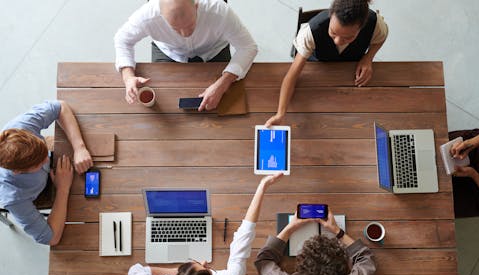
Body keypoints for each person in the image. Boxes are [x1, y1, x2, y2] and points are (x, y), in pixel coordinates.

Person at [127, 173, 283, 275]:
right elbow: (243, 239)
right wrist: (262, 186)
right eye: (204, 268)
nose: (204, 262)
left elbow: (134, 273)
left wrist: (174, 272)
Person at [114, 0, 258, 111]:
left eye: (190, 26)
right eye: (175, 29)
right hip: (169, 52)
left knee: (228, 101)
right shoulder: (147, 15)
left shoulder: (219, 11)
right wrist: (128, 76)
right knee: (164, 102)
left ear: (196, 7)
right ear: (161, 15)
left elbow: (248, 47)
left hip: (214, 50)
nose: (185, 34)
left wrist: (223, 82)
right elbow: (122, 40)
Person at [265, 0, 388, 127]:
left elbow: (382, 37)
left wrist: (368, 58)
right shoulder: (310, 33)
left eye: (348, 37)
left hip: (349, 71)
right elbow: (291, 76)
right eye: (333, 32)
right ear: (330, 15)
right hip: (318, 65)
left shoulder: (375, 23)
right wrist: (280, 114)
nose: (338, 41)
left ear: (362, 27)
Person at [0, 101, 93, 245]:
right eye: (39, 163)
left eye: (44, 153)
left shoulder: (19, 128)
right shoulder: (13, 198)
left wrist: (79, 148)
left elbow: (60, 106)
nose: (46, 159)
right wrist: (62, 189)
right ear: (17, 172)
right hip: (39, 193)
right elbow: (50, 238)